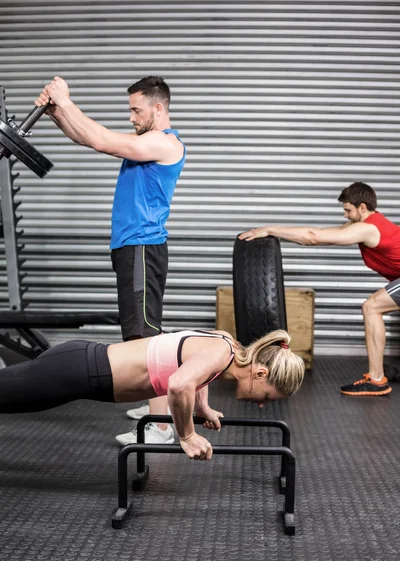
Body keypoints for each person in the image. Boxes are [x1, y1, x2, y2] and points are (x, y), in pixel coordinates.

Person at [35, 75, 186, 445]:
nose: (131, 117)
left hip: (142, 248)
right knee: (140, 329)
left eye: (136, 110)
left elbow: (102, 140)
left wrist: (66, 101)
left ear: (158, 108)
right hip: (131, 248)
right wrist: (57, 113)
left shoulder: (164, 143)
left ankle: (162, 424)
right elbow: (87, 138)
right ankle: (153, 398)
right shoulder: (144, 141)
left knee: (145, 336)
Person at [0, 329, 305, 460]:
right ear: (261, 374)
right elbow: (178, 384)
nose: (263, 404)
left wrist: (203, 407)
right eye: (269, 396)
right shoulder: (222, 351)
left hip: (81, 368)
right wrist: (186, 435)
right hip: (79, 371)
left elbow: (194, 369)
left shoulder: (227, 345)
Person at [240, 181, 400, 396]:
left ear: (362, 207)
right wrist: (277, 231)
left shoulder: (368, 228)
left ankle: (377, 379)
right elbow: (319, 233)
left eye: (348, 210)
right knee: (374, 306)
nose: (345, 216)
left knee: (372, 307)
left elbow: (312, 238)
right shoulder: (370, 224)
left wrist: (269, 228)